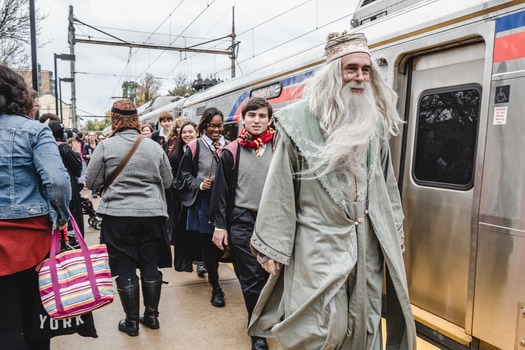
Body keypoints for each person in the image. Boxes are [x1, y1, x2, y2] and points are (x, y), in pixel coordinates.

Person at [248, 32, 417, 349]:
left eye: (365, 70)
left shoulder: (374, 122)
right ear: (333, 72)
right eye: (351, 68)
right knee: (322, 327)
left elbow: (386, 183)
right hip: (318, 241)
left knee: (365, 321)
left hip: (366, 239)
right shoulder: (298, 122)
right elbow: (281, 186)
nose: (359, 77)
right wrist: (273, 245)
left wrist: (395, 228)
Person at [85, 98, 173, 337]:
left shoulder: (105, 147)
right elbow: (167, 181)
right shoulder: (154, 147)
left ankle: (131, 322)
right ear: (136, 120)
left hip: (118, 217)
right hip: (152, 215)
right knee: (149, 263)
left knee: (124, 265)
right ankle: (152, 316)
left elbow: (91, 182)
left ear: (114, 120)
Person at [0, 65, 71, 349]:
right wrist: (61, 216)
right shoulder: (34, 131)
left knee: (4, 324)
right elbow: (57, 181)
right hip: (30, 240)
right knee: (36, 321)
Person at [210, 97, 274, 350]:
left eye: (262, 116)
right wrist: (219, 226)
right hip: (242, 220)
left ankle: (271, 319)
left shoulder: (279, 148)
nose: (256, 120)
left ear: (269, 119)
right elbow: (221, 192)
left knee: (272, 277)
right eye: (252, 115)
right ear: (243, 119)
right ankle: (258, 332)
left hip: (273, 220)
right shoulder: (231, 152)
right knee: (251, 279)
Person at [176, 107, 228, 308]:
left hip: (225, 203)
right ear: (204, 125)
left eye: (219, 126)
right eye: (212, 126)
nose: (216, 130)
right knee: (208, 248)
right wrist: (198, 184)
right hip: (204, 203)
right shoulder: (194, 147)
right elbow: (184, 176)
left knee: (222, 247)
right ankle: (216, 288)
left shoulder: (230, 146)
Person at [169, 121, 207, 276]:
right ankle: (191, 260)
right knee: (186, 232)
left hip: (199, 196)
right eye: (184, 132)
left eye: (190, 131)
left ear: (197, 132)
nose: (187, 135)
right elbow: (170, 175)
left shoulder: (203, 149)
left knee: (199, 231)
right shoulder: (176, 152)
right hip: (181, 199)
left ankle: (201, 261)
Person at [48, 119, 85, 236]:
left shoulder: (47, 147)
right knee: (73, 217)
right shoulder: (63, 148)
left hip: (52, 186)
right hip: (69, 186)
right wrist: (77, 153)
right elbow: (77, 168)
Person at [83, 131, 99, 197]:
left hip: (99, 162)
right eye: (90, 135)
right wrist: (86, 156)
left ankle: (98, 190)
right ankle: (94, 191)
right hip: (90, 163)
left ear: (95, 137)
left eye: (93, 135)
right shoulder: (86, 145)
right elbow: (84, 155)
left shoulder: (99, 144)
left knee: (99, 176)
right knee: (93, 177)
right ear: (88, 137)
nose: (92, 137)